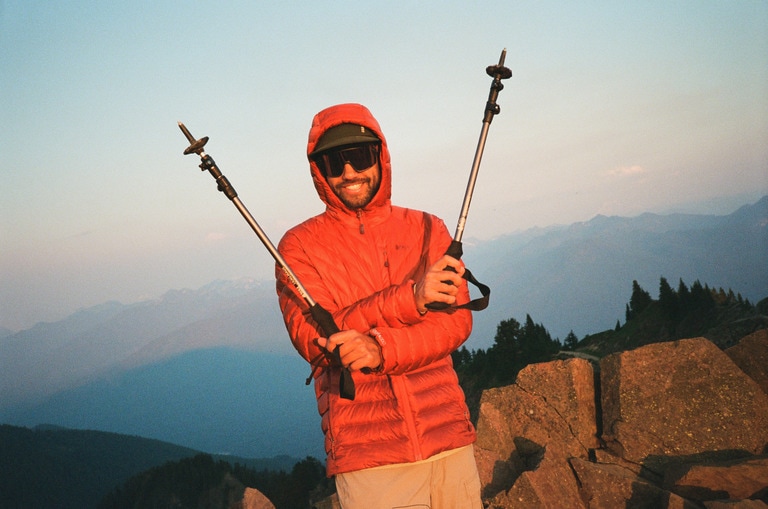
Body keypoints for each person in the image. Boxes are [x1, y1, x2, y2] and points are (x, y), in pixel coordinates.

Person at [275, 103, 482, 508]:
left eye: (359, 156)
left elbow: (455, 325)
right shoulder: (297, 248)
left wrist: (379, 350)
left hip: (448, 440)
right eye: (334, 162)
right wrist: (412, 299)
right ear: (319, 171)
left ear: (381, 157)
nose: (349, 172)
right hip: (370, 458)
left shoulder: (428, 228)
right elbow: (318, 340)